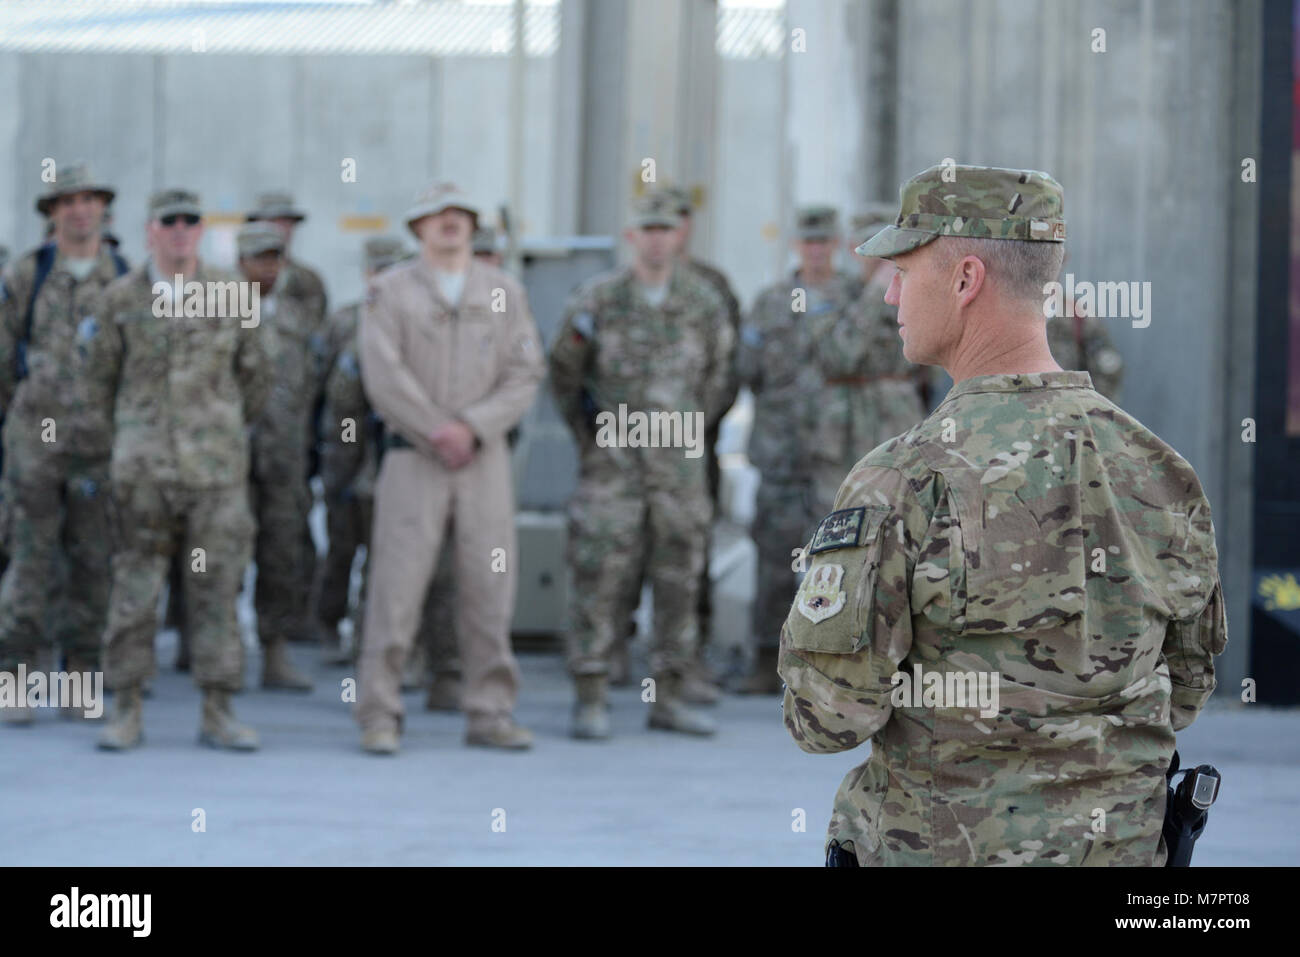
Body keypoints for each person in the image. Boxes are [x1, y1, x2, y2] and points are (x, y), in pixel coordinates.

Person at [780, 164, 1226, 866]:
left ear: (964, 280)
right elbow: (1188, 690)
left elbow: (825, 716)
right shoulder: (1163, 471)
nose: (891, 292)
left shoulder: (900, 479)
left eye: (903, 268)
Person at [356, 182, 543, 754]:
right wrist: (435, 427)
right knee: (396, 589)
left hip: (480, 461)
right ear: (417, 228)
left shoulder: (504, 293)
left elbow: (525, 372)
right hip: (415, 459)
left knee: (490, 589)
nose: (449, 224)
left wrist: (472, 426)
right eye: (436, 216)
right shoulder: (387, 293)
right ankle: (379, 713)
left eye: (459, 214)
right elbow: (382, 373)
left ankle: (489, 711)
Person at [548, 189, 734, 739]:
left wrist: (688, 430)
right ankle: (591, 693)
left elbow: (720, 379)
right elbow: (564, 373)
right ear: (632, 238)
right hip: (614, 462)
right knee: (599, 574)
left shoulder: (703, 302)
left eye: (666, 230)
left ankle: (669, 696)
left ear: (679, 236)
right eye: (646, 230)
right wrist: (595, 434)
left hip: (678, 464)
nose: (656, 240)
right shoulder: (598, 300)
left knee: (678, 575)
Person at [89, 188, 269, 750]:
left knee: (216, 590)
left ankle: (218, 708)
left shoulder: (231, 293)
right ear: (151, 230)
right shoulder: (120, 298)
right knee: (134, 589)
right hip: (143, 472)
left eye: (192, 221)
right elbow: (99, 381)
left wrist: (216, 426)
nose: (181, 230)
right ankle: (126, 707)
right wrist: (134, 435)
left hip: (215, 474)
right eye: (170, 221)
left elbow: (255, 377)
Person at [0, 162, 127, 724]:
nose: (79, 210)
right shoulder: (27, 275)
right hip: (35, 447)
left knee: (92, 565)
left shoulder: (124, 277)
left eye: (89, 201)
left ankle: (80, 685)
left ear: (103, 208)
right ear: (52, 213)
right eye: (67, 202)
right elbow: (4, 358)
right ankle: (15, 684)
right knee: (28, 563)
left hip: (97, 447)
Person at [313, 236, 461, 711]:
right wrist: (343, 474)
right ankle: (377, 669)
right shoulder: (358, 328)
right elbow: (345, 413)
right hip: (385, 469)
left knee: (444, 573)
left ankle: (444, 670)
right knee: (386, 571)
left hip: (442, 465)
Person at [735, 205, 863, 694]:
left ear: (837, 244)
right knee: (774, 554)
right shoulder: (770, 302)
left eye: (824, 241)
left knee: (838, 561)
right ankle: (766, 657)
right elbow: (745, 371)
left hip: (838, 453)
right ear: (795, 244)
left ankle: (830, 665)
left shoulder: (856, 298)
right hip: (781, 451)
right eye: (807, 241)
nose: (815, 251)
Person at [238, 221, 317, 692]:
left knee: (281, 551)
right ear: (241, 262)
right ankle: (206, 646)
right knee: (219, 553)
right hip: (230, 456)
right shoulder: (218, 307)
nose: (268, 266)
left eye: (275, 257)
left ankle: (275, 651)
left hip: (285, 455)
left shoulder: (296, 315)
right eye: (259, 257)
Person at [246, 191, 328, 642]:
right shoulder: (219, 293)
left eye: (286, 222)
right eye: (269, 221)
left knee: (287, 537)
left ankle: (288, 631)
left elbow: (317, 362)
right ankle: (197, 637)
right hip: (231, 447)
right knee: (220, 543)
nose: (280, 228)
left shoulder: (307, 285)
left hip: (288, 440)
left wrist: (317, 436)